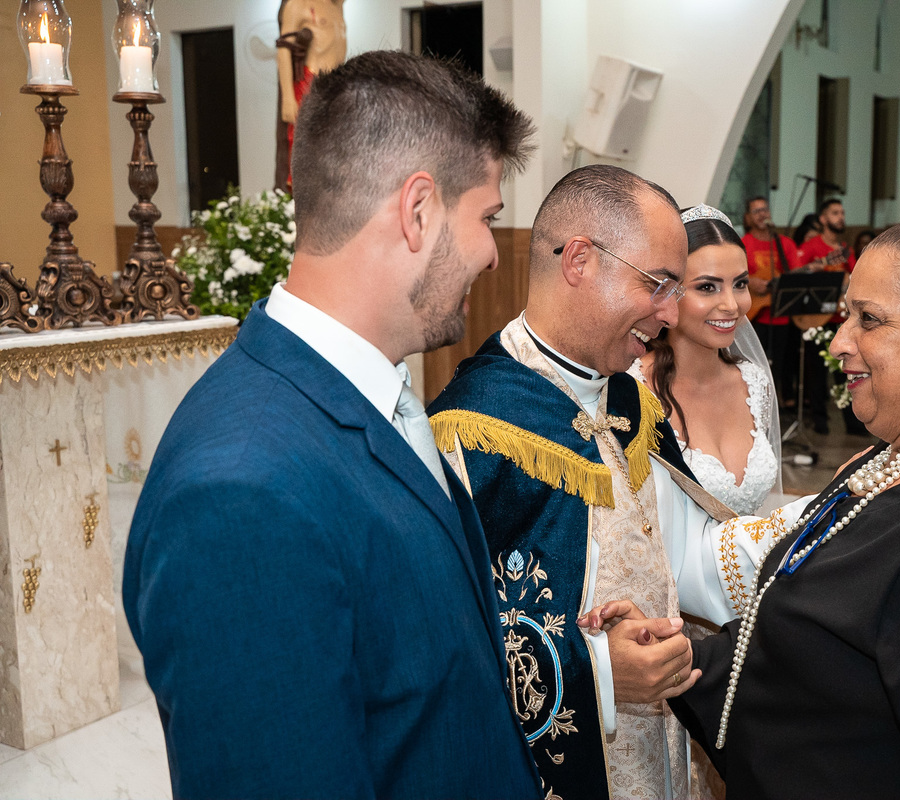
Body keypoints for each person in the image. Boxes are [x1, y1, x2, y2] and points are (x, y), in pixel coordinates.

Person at [123, 52, 540, 798]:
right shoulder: (240, 494)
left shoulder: (376, 395)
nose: (487, 252)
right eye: (488, 217)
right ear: (418, 211)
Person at [587, 213, 900, 799]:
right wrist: (673, 657)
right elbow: (813, 646)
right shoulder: (894, 459)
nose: (840, 339)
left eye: (869, 320)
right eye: (847, 313)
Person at [427, 166, 814, 799]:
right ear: (579, 260)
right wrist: (600, 673)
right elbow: (444, 638)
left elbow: (691, 558)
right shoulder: (472, 430)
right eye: (660, 284)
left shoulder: (631, 403)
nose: (670, 313)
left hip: (659, 753)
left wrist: (840, 516)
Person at [633, 204, 782, 517]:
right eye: (707, 287)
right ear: (668, 292)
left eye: (740, 284)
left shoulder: (753, 382)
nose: (731, 305)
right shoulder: (634, 388)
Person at [795, 197, 858, 435]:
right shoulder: (812, 248)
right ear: (823, 219)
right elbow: (794, 274)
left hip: (841, 319)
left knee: (845, 372)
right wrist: (813, 270)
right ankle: (819, 421)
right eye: (834, 213)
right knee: (816, 375)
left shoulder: (845, 250)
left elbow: (854, 278)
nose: (840, 217)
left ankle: (851, 422)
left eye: (842, 212)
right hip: (815, 320)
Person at [275, 0, 347, 189]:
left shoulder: (336, 5)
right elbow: (283, 49)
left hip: (338, 81)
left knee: (337, 143)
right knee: (305, 141)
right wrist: (288, 97)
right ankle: (302, 198)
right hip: (310, 80)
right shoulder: (297, 4)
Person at [742, 196, 803, 411]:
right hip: (753, 315)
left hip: (780, 314)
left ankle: (773, 410)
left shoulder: (784, 243)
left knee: (778, 366)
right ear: (748, 217)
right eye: (756, 210)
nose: (762, 214)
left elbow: (794, 275)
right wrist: (750, 281)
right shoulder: (744, 243)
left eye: (765, 209)